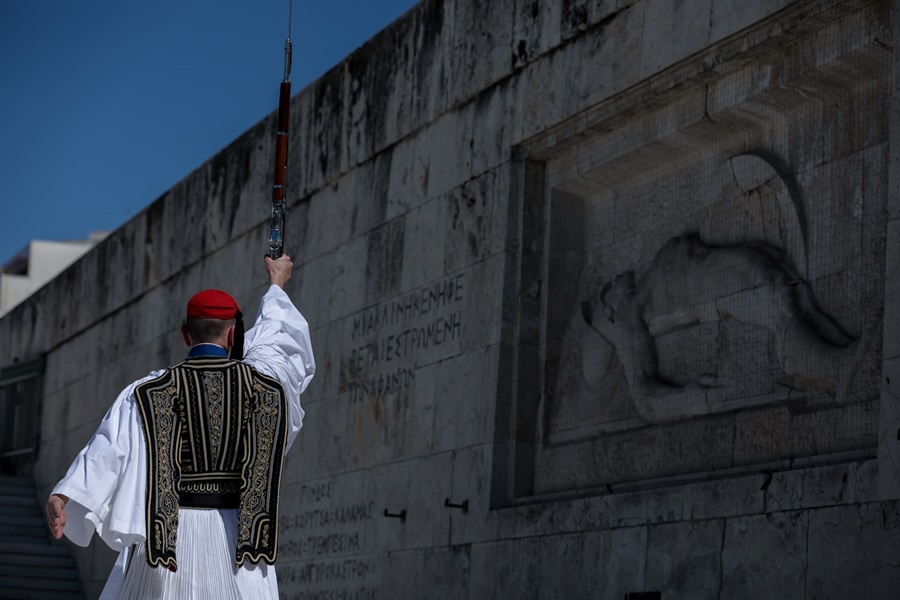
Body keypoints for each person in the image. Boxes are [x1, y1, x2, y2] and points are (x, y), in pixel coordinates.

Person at [45, 255, 315, 599]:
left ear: (186, 334)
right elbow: (278, 341)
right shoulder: (266, 386)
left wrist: (65, 493)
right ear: (233, 334)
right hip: (241, 542)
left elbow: (110, 447)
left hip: (167, 544)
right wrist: (276, 285)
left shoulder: (148, 391)